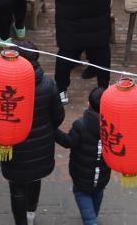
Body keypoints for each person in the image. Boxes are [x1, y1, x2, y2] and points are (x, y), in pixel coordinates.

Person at [0, 42, 63, 225]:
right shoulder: (49, 85)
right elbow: (58, 116)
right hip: (41, 146)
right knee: (35, 178)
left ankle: (21, 222)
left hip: (14, 146)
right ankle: (31, 214)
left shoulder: (5, 84)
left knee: (17, 186)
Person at [56, 87, 112, 225]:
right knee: (97, 193)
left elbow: (67, 142)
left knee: (82, 195)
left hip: (81, 174)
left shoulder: (80, 125)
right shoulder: (113, 126)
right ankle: (92, 216)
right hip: (103, 174)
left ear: (88, 103)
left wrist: (53, 130)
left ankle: (91, 220)